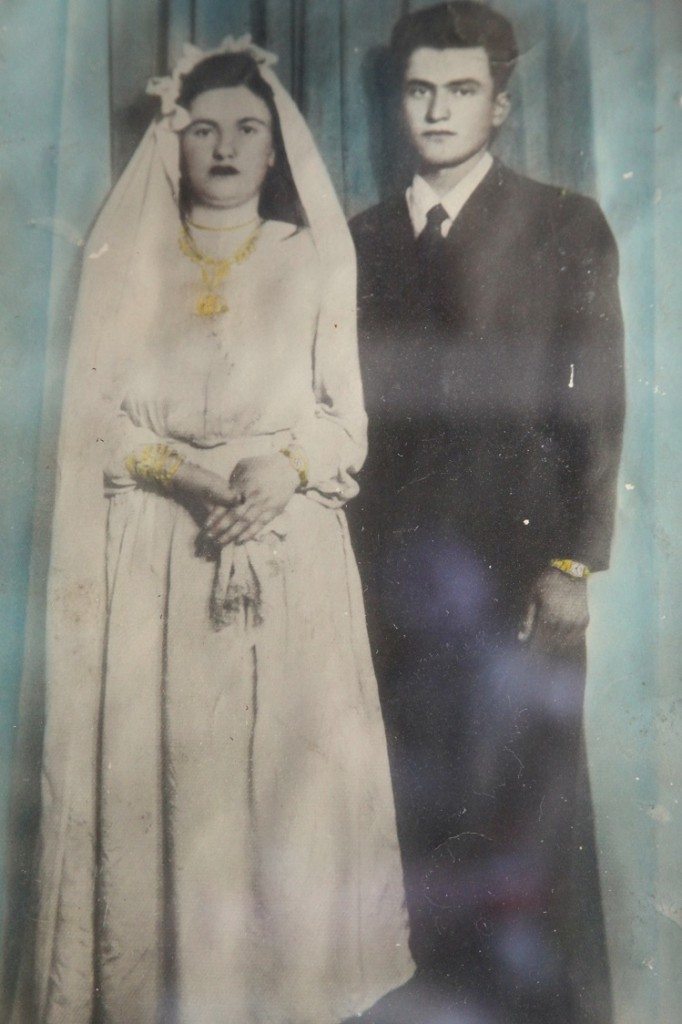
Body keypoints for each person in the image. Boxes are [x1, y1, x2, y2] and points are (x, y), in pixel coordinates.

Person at [8, 38, 413, 1024]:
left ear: (277, 151)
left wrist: (284, 468)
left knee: (279, 798)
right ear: (171, 142)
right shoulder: (127, 264)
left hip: (286, 555)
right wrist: (188, 475)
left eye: (247, 130)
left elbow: (342, 416)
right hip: (159, 561)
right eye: (202, 129)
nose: (224, 147)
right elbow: (97, 422)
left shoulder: (311, 257)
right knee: (174, 796)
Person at [349, 3, 625, 1023]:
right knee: (413, 821)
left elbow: (594, 403)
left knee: (522, 825)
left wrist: (572, 563)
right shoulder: (358, 237)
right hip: (388, 583)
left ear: (499, 103)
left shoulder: (564, 222)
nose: (437, 108)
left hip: (518, 577)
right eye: (420, 88)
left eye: (461, 89)